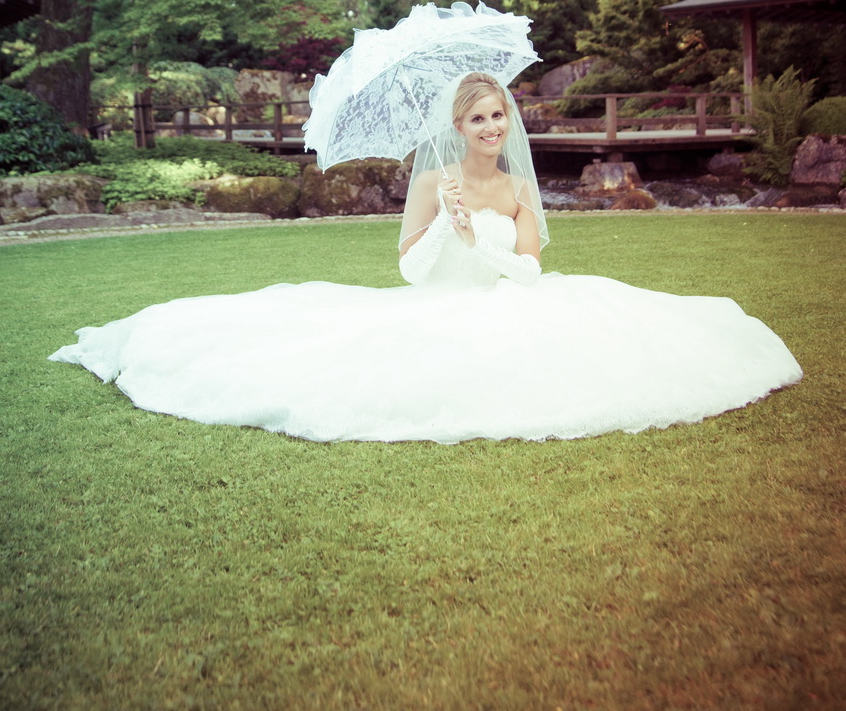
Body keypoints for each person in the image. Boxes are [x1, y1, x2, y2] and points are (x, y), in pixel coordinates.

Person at [50, 71, 801, 443]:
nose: (491, 126)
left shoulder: (516, 188)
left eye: (499, 114)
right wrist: (447, 224)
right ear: (458, 125)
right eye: (477, 117)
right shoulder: (433, 183)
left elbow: (534, 268)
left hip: (518, 300)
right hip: (437, 306)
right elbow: (408, 270)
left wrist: (485, 243)